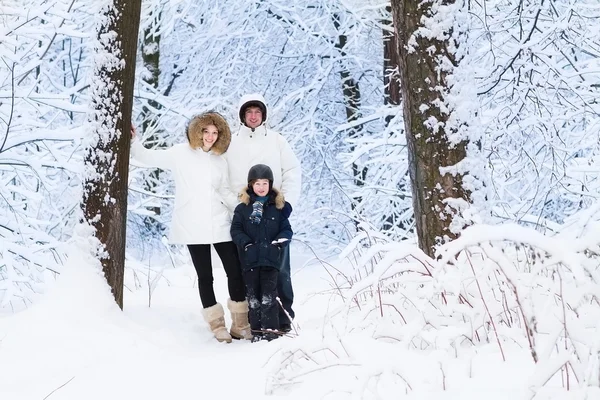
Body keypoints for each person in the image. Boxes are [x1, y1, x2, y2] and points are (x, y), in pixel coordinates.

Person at [130, 112, 252, 343]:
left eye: (215, 133)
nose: (210, 137)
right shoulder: (180, 153)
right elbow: (148, 157)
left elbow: (224, 190)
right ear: (198, 131)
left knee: (234, 270)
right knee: (205, 276)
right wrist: (134, 142)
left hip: (219, 221)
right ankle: (217, 325)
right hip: (193, 224)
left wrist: (242, 207)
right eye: (206, 131)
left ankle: (240, 323)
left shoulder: (219, 160)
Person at [226, 94, 301, 332]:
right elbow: (220, 177)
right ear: (242, 116)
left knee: (280, 270)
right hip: (245, 218)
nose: (253, 116)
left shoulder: (277, 141)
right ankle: (253, 322)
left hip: (274, 215)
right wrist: (237, 206)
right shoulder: (231, 143)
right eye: (248, 112)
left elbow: (292, 170)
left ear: (264, 115)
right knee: (247, 272)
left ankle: (282, 319)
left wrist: (286, 203)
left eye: (258, 112)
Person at [230, 164, 293, 342]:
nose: (261, 187)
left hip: (271, 261)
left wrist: (278, 244)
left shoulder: (278, 207)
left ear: (270, 184)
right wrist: (247, 244)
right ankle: (256, 333)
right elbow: (236, 230)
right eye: (257, 183)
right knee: (253, 299)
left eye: (265, 183)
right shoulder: (242, 209)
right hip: (250, 262)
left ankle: (270, 332)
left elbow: (286, 230)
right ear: (251, 185)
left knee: (269, 298)